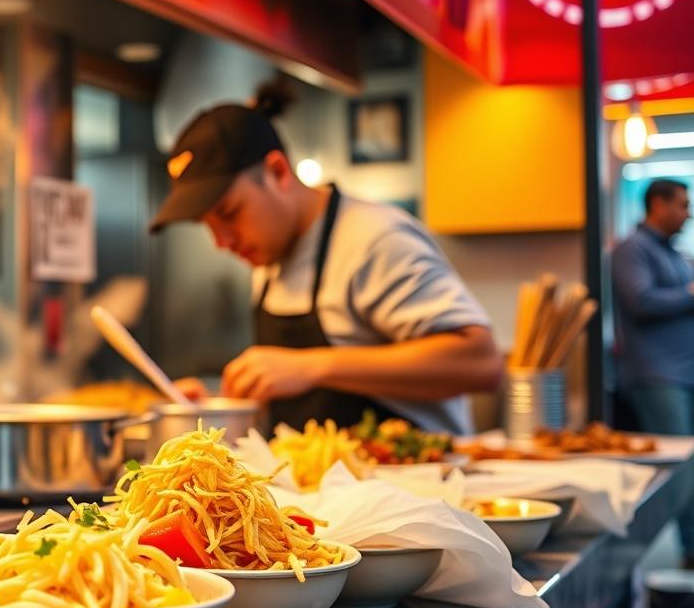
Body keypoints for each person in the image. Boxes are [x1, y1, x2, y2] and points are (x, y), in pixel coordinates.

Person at [153, 81, 502, 434]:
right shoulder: (270, 258)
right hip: (313, 484)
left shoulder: (374, 240)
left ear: (277, 172)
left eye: (229, 213)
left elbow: (482, 363)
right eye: (206, 225)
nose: (221, 242)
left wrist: (314, 366)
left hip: (412, 480)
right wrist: (217, 405)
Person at [612, 178, 694, 568]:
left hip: (683, 372)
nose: (688, 212)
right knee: (682, 467)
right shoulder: (632, 249)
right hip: (656, 374)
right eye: (682, 204)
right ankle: (692, 550)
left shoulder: (672, 253)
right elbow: (640, 300)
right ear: (657, 205)